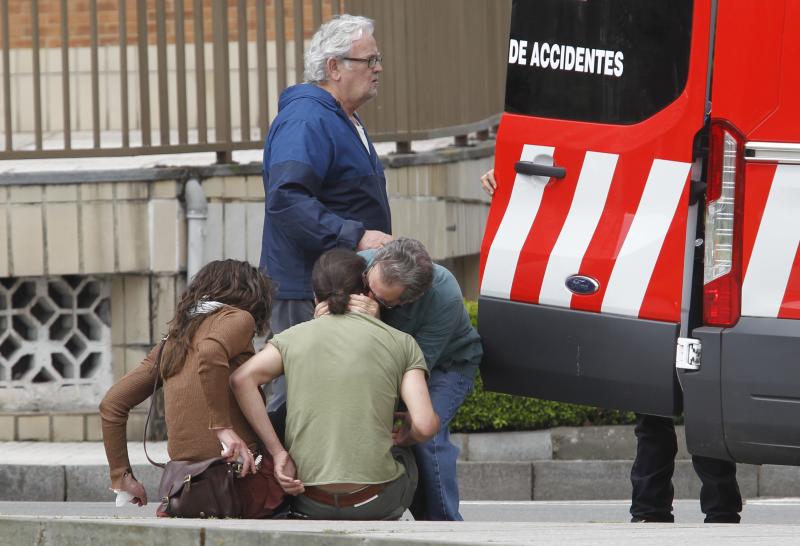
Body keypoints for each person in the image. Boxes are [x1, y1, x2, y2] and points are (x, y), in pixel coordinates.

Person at [480, 169, 742, 523]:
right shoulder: (646, 158)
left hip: (704, 282)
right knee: (657, 411)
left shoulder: (716, 154)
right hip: (652, 279)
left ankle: (705, 509)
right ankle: (662, 509)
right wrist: (513, 176)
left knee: (699, 409)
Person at [230, 248, 439, 520]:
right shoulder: (401, 342)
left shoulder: (292, 338)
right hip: (375, 501)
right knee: (405, 452)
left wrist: (278, 452)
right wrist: (405, 435)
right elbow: (425, 425)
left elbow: (241, 379)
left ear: (315, 296)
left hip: (308, 500)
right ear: (366, 292)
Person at [260, 14, 393, 412]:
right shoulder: (307, 118)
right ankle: (273, 475)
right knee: (297, 399)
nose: (378, 68)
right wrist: (355, 236)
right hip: (305, 290)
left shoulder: (340, 117)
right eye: (368, 60)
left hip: (332, 283)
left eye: (377, 58)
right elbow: (286, 198)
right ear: (334, 67)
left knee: (326, 400)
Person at [98, 260, 284, 518]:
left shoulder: (173, 340)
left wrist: (121, 476)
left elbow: (112, 403)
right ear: (252, 295)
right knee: (286, 416)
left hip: (183, 490)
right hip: (237, 482)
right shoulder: (240, 317)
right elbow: (210, 351)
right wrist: (223, 429)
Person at [318, 238, 482, 521]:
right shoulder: (361, 263)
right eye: (367, 284)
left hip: (446, 366)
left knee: (425, 435)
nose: (366, 295)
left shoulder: (444, 296)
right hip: (387, 363)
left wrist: (376, 321)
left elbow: (415, 365)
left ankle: (443, 526)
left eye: (380, 298)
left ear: (410, 299)